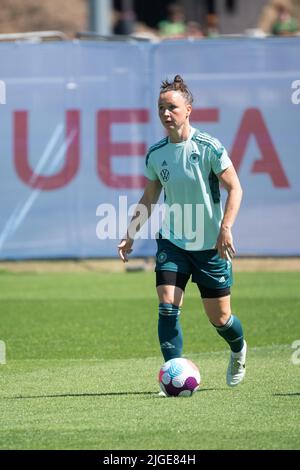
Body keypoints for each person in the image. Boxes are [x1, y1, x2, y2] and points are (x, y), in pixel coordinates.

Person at [118, 75, 246, 389]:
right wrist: (130, 233)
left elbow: (235, 189)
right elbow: (149, 198)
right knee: (167, 306)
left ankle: (239, 349)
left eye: (172, 107)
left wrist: (225, 228)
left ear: (188, 109)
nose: (165, 113)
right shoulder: (157, 153)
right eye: (161, 107)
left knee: (221, 319)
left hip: (210, 247)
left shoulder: (208, 147)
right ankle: (173, 374)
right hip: (173, 241)